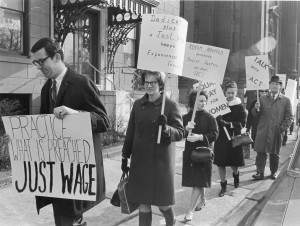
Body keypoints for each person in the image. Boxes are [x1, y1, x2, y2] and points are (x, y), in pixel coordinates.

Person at [31, 37, 110, 226]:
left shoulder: (82, 83)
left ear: (57, 56)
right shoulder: (46, 89)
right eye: (36, 63)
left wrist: (76, 114)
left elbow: (104, 121)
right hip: (57, 168)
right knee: (64, 217)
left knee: (69, 218)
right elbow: (45, 126)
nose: (39, 67)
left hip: (77, 170)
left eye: (41, 61)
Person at [121, 70, 184, 226]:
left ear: (160, 84)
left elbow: (181, 132)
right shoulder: (138, 104)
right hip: (140, 160)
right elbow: (131, 132)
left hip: (160, 161)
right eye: (146, 82)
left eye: (153, 83)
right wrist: (125, 156)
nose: (149, 86)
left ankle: (171, 220)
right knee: (143, 202)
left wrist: (166, 129)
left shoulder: (170, 105)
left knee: (162, 202)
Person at [182, 90, 218, 221]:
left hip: (203, 154)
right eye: (200, 101)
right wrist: (185, 129)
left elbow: (215, 134)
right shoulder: (187, 117)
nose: (204, 103)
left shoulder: (209, 117)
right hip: (190, 153)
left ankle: (190, 211)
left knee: (197, 183)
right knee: (198, 180)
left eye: (205, 101)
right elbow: (179, 133)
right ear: (193, 102)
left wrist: (200, 137)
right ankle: (203, 199)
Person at [252, 75, 293, 180]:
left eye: (277, 84)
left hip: (276, 131)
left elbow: (289, 117)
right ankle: (259, 172)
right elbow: (255, 114)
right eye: (273, 84)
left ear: (280, 86)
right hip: (263, 129)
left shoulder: (285, 100)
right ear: (269, 85)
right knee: (261, 152)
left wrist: (282, 129)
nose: (275, 86)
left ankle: (273, 172)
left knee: (275, 153)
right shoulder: (262, 98)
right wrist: (256, 109)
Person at [214, 81, 247, 197]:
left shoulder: (239, 106)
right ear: (224, 92)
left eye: (233, 93)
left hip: (234, 137)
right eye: (228, 92)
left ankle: (236, 175)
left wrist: (228, 124)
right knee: (221, 163)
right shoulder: (218, 105)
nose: (231, 95)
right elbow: (212, 118)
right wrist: (216, 121)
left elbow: (242, 123)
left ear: (236, 92)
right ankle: (223, 185)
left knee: (234, 162)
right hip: (221, 138)